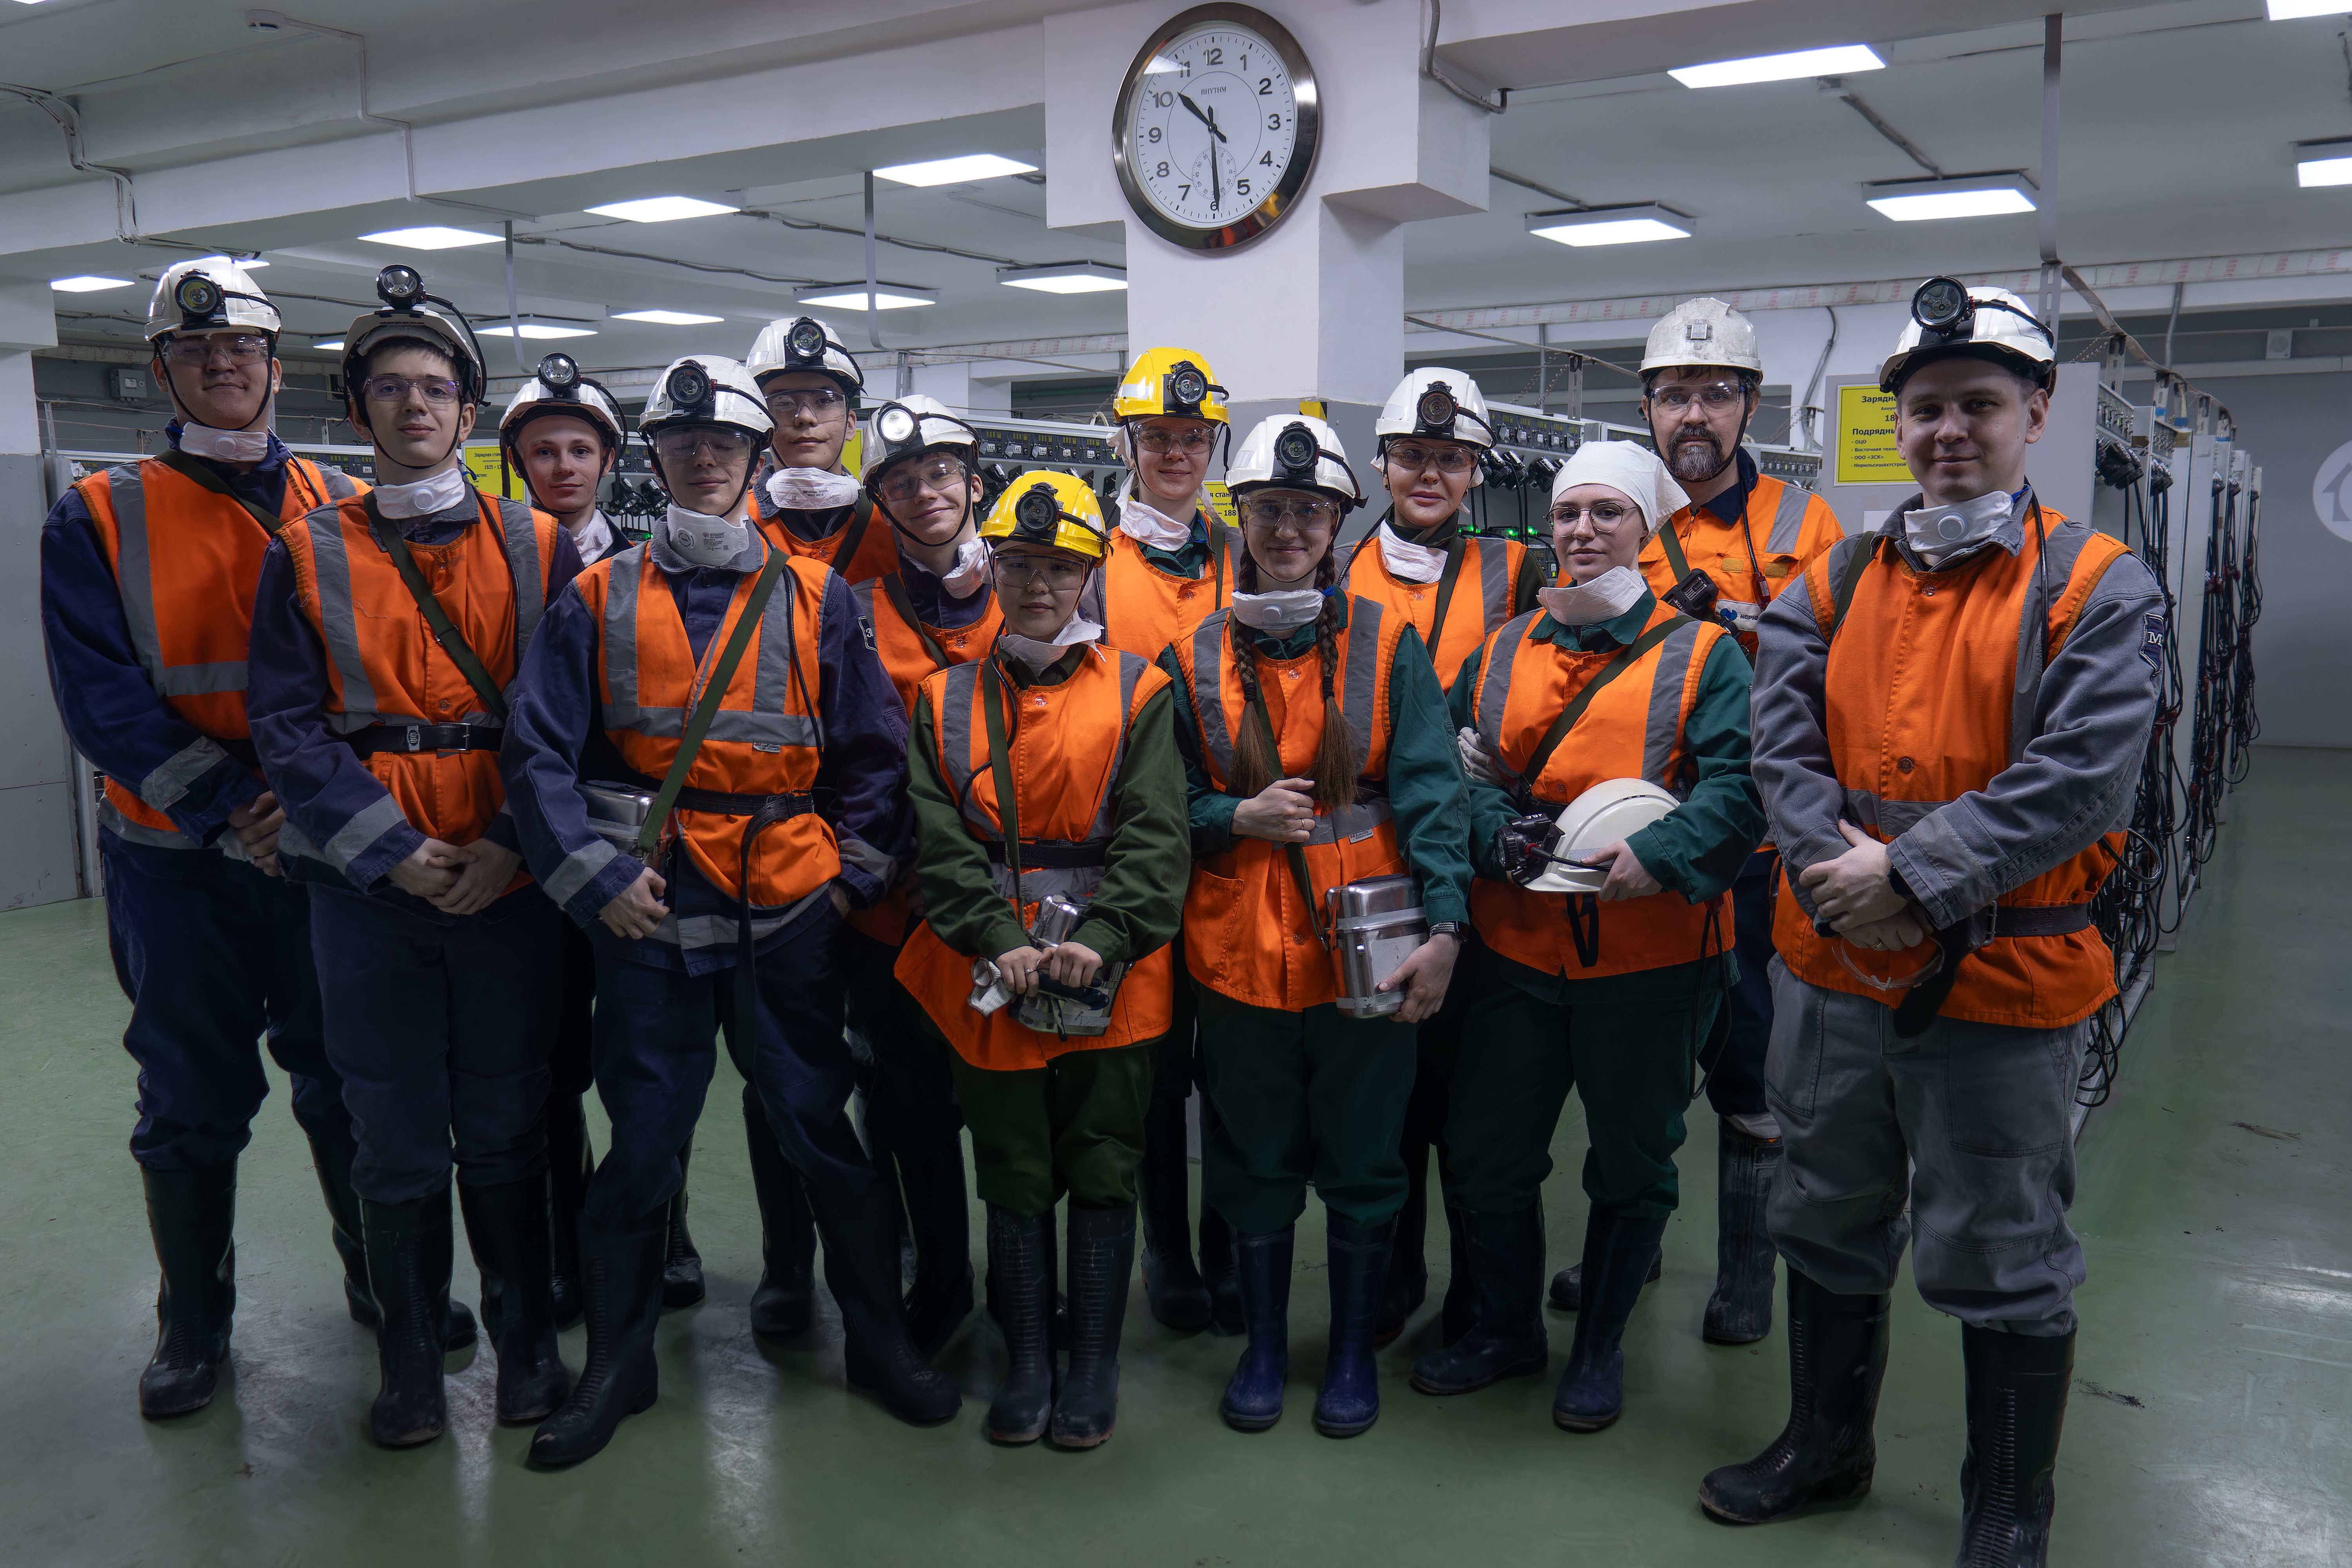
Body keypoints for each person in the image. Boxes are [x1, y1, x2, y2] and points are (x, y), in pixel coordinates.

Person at [1700, 281, 2163, 1568]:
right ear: (1895, 424)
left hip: (2001, 986)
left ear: (2035, 414)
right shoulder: (1835, 579)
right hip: (1833, 972)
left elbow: (2082, 780)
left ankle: (2008, 1508)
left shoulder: (2094, 586)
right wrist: (1833, 871)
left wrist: (1911, 876)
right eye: (1926, 409)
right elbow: (1781, 746)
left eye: (1979, 405)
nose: (1949, 430)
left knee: (2004, 1245)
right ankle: (1824, 1447)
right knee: (1822, 1209)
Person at [503, 354, 956, 1468]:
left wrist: (845, 881)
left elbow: (873, 760)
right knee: (643, 1145)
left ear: (757, 460)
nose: (705, 458)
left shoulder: (821, 598)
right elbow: (538, 756)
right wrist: (594, 879)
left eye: (725, 444)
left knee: (820, 1128)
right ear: (654, 460)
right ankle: (619, 1365)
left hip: (787, 912)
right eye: (684, 442)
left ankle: (879, 1341)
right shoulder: (595, 598)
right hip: (647, 914)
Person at [36, 258, 439, 1421]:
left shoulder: (342, 496)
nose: (223, 363)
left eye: (244, 347)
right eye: (197, 349)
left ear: (275, 364)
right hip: (177, 867)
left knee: (348, 1079)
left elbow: (379, 674)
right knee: (189, 1093)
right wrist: (231, 809)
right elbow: (102, 701)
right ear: (163, 368)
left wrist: (316, 812)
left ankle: (379, 1285)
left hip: (324, 861)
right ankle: (194, 1322)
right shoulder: (97, 513)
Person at [247, 265, 576, 1447]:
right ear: (358, 409)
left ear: (469, 407)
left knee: (506, 1114)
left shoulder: (540, 546)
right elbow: (287, 727)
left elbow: (571, 715)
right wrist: (388, 851)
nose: (414, 405)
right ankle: (410, 1361)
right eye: (389, 388)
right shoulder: (303, 551)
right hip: (366, 894)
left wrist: (506, 844)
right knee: (387, 1124)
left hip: (507, 882)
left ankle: (528, 1341)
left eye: (435, 387)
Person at [1412, 441, 1761, 1434]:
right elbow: (1452, 770)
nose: (1582, 531)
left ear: (1645, 528)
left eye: (1607, 513)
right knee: (1486, 1150)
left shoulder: (1706, 656)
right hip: (1518, 951)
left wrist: (1663, 848)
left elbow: (1742, 786)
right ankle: (1506, 1330)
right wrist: (1496, 832)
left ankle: (1599, 1349)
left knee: (1634, 1157)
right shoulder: (1503, 649)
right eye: (1568, 513)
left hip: (1653, 961)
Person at [1159, 414, 1471, 1438]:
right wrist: (1232, 814)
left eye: (1309, 509)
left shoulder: (1389, 645)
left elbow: (1433, 795)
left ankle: (1347, 1353)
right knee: (1251, 1156)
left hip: (1367, 952)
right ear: (1239, 518)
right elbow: (1159, 804)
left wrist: (1447, 927)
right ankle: (1260, 1348)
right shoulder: (1191, 658)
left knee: (1366, 1155)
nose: (1288, 527)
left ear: (1338, 523)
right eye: (1269, 509)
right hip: (1238, 957)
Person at [1561, 298, 1842, 1344]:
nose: (1693, 414)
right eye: (1673, 394)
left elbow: (1833, 673)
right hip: (1626, 838)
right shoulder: (1618, 509)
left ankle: (1745, 1276)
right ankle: (1626, 1253)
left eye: (1714, 393)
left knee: (1749, 1062)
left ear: (1748, 405)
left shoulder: (1803, 526)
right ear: (1646, 406)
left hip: (1753, 847)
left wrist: (1735, 623)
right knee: (1632, 1061)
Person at [896, 471, 1188, 1447]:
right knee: (1013, 1165)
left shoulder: (1141, 691)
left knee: (1104, 1159)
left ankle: (1092, 1364)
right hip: (992, 968)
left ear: (1090, 574)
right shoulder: (942, 700)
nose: (1037, 585)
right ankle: (1027, 1359)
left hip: (1114, 968)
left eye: (1060, 567)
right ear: (993, 567)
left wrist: (1101, 941)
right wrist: (999, 938)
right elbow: (939, 845)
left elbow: (1157, 838)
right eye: (1019, 564)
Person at [1352, 365, 1544, 1344]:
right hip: (1371, 861)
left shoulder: (1520, 571)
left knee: (1474, 1100)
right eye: (1413, 455)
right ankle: (1392, 1282)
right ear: (1384, 463)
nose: (1430, 474)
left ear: (1476, 471)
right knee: (1391, 1092)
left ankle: (1480, 1297)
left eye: (1451, 458)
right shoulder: (1335, 562)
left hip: (1479, 863)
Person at [497, 352, 669, 1326]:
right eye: (543, 451)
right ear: (517, 463)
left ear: (609, 461)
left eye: (579, 449)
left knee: (650, 1061)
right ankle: (567, 1249)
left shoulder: (650, 563)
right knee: (552, 1057)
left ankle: (665, 1233)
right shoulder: (497, 557)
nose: (562, 467)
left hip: (643, 850)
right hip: (542, 847)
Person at [1079, 345, 1240, 1335]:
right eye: (1157, 436)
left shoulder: (1246, 553)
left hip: (1234, 846)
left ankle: (1225, 1242)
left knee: (1230, 1058)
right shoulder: (1090, 560)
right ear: (1127, 443)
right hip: (1131, 846)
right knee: (1154, 1060)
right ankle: (1167, 1248)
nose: (1176, 453)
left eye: (1192, 437)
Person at [843, 394, 1003, 1356]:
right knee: (913, 1107)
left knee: (1015, 1104)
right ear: (881, 502)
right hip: (894, 911)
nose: (925, 492)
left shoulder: (1039, 586)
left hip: (1010, 908)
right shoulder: (852, 610)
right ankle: (942, 1280)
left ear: (974, 483)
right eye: (901, 482)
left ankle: (1024, 1283)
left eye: (941, 472)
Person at [746, 315, 896, 585]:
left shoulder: (893, 523)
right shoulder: (736, 525)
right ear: (762, 426)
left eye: (824, 401)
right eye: (783, 402)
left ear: (850, 425)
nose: (805, 417)